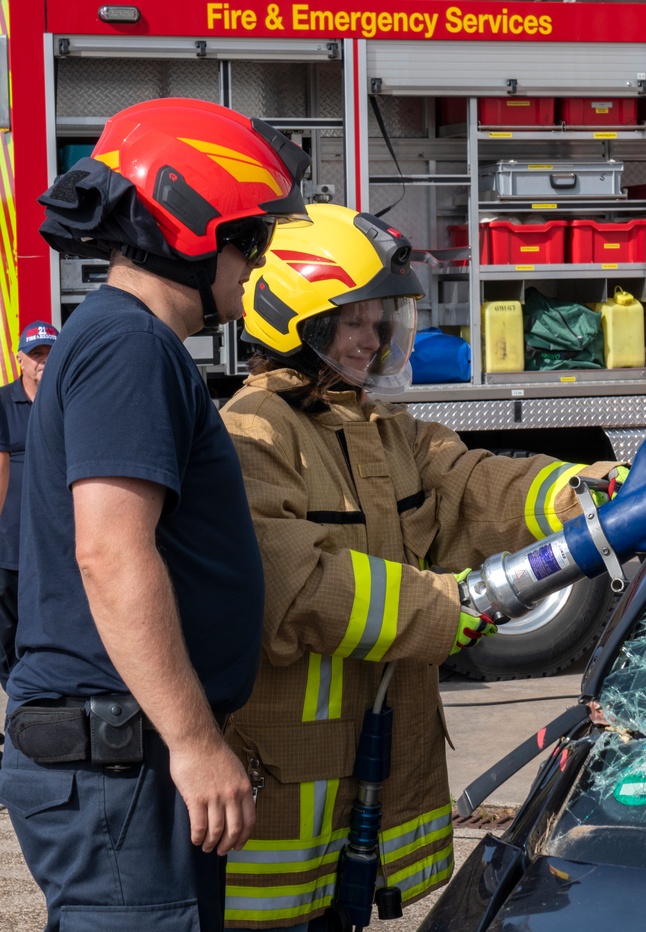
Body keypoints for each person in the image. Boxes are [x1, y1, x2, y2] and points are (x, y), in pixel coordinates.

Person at [219, 203, 619, 930]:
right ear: (293, 319)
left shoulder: (385, 429)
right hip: (285, 786)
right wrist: (451, 607)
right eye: (355, 321)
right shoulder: (251, 435)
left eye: (383, 321)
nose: (373, 340)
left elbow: (472, 484)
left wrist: (578, 492)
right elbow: (295, 587)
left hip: (362, 782)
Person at [0, 97, 311, 931]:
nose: (255, 264)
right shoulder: (129, 347)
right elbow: (109, 553)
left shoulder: (123, 341)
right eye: (253, 238)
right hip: (120, 766)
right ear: (196, 228)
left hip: (123, 759)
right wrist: (196, 742)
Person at [0, 320, 58, 689]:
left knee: (48, 617)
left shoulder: (68, 398)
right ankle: (13, 694)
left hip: (55, 537)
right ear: (20, 359)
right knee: (6, 623)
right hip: (10, 539)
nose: (43, 362)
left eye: (50, 353)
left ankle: (39, 690)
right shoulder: (3, 402)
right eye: (36, 355)